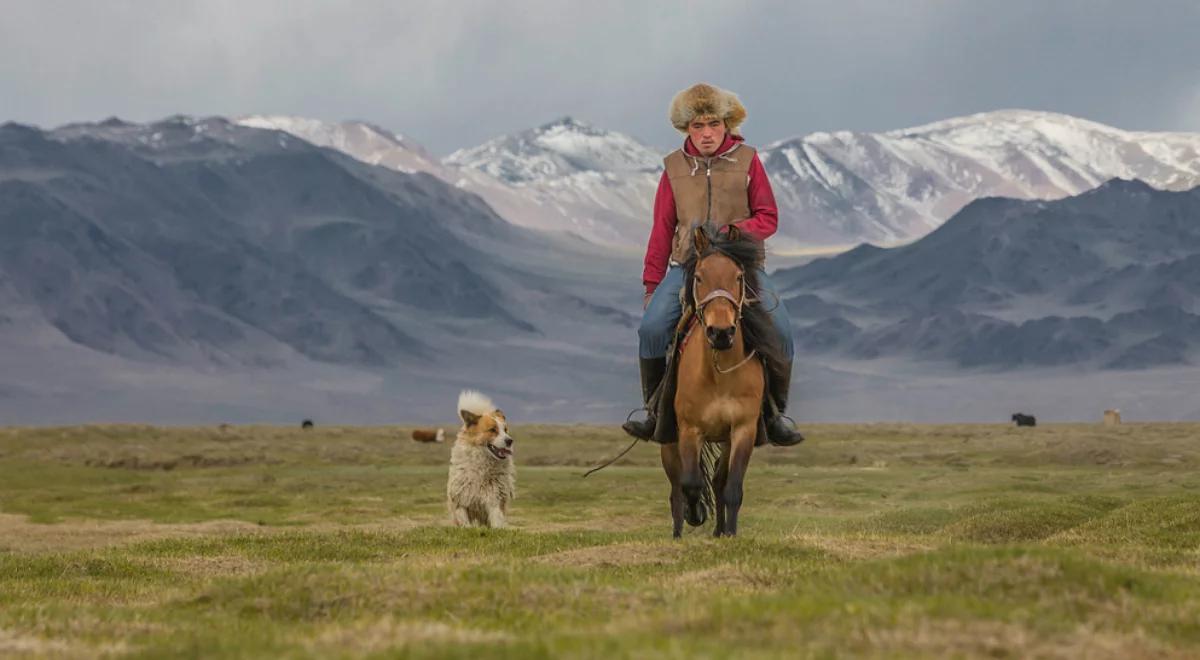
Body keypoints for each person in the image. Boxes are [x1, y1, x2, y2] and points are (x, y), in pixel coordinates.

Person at [622, 83, 804, 447]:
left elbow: (768, 217)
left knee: (781, 331)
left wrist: (736, 231)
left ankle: (775, 414)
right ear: (686, 128)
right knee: (652, 328)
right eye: (697, 126)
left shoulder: (748, 160)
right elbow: (661, 229)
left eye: (713, 124)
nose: (706, 134)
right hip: (688, 266)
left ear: (726, 124)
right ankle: (654, 411)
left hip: (741, 267)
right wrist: (651, 285)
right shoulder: (673, 167)